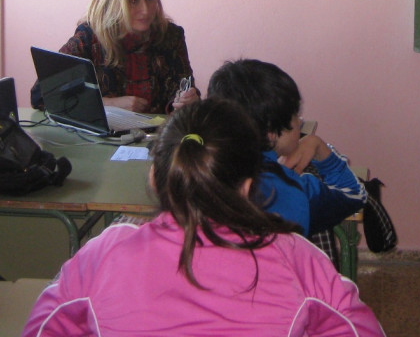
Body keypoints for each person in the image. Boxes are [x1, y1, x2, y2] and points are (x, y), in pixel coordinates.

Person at [22, 98, 384, 336]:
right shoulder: (296, 258)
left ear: (154, 178)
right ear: (247, 187)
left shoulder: (102, 255)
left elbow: (40, 329)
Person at [207, 59, 366, 264]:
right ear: (271, 133)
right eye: (295, 115)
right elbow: (354, 194)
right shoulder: (294, 189)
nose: (300, 122)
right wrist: (319, 148)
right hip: (276, 291)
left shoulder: (196, 171)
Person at [30, 0, 199, 114]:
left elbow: (185, 88)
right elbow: (41, 95)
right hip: (105, 139)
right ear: (115, 2)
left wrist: (189, 101)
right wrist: (108, 104)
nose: (145, 10)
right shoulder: (89, 37)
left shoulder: (171, 36)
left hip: (159, 137)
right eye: (133, 1)